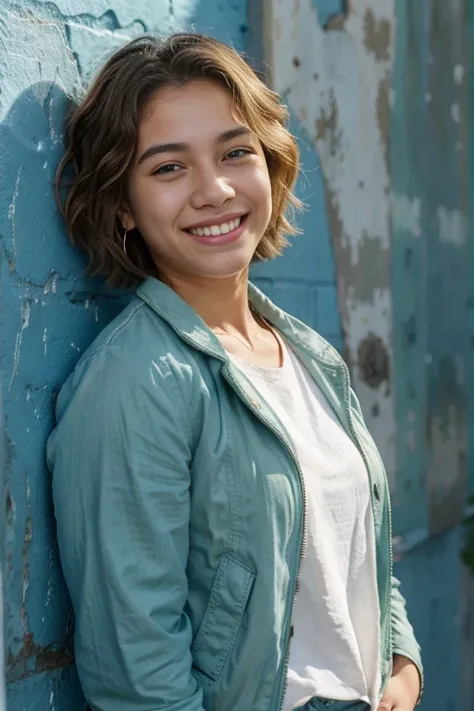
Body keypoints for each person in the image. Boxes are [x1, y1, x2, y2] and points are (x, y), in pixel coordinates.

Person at [47, 33, 423, 711]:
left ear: (269, 165)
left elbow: (358, 543)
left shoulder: (309, 353)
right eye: (168, 168)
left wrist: (403, 665)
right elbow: (138, 676)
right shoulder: (137, 382)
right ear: (123, 205)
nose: (214, 190)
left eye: (234, 152)